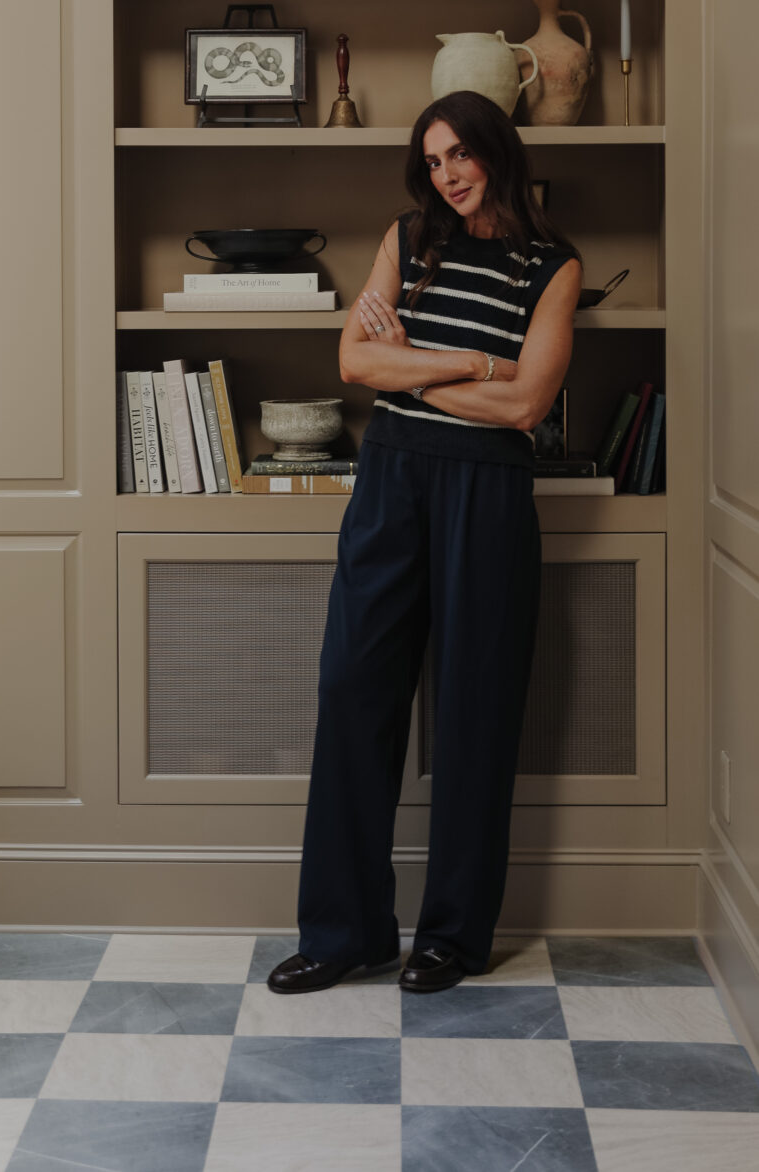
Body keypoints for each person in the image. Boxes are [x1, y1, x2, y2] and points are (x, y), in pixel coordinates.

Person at [268, 90, 582, 995]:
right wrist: (475, 362)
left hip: (489, 490)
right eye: (433, 160)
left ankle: (451, 936)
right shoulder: (406, 240)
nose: (446, 174)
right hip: (391, 479)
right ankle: (344, 933)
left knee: (476, 710)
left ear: (496, 152)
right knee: (352, 691)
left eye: (460, 155)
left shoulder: (553, 266)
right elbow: (356, 363)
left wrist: (413, 368)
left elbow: (526, 407)